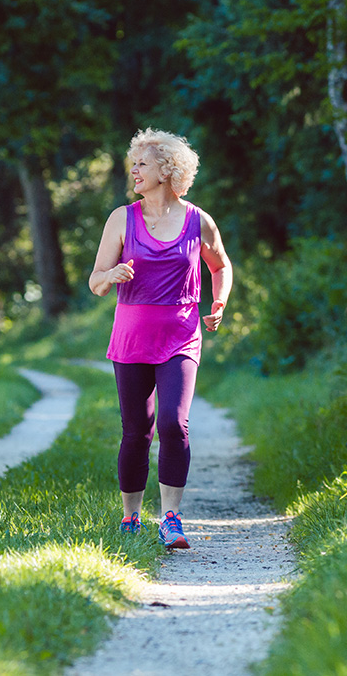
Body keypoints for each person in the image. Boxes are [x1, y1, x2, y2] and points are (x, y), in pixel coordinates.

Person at [88, 128, 232, 549]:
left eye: (143, 164)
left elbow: (220, 266)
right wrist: (110, 276)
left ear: (168, 171)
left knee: (174, 422)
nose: (134, 170)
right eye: (134, 163)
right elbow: (95, 281)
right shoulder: (122, 218)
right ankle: (130, 517)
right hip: (131, 339)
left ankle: (170, 517)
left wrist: (219, 303)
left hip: (181, 337)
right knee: (136, 430)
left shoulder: (198, 220)